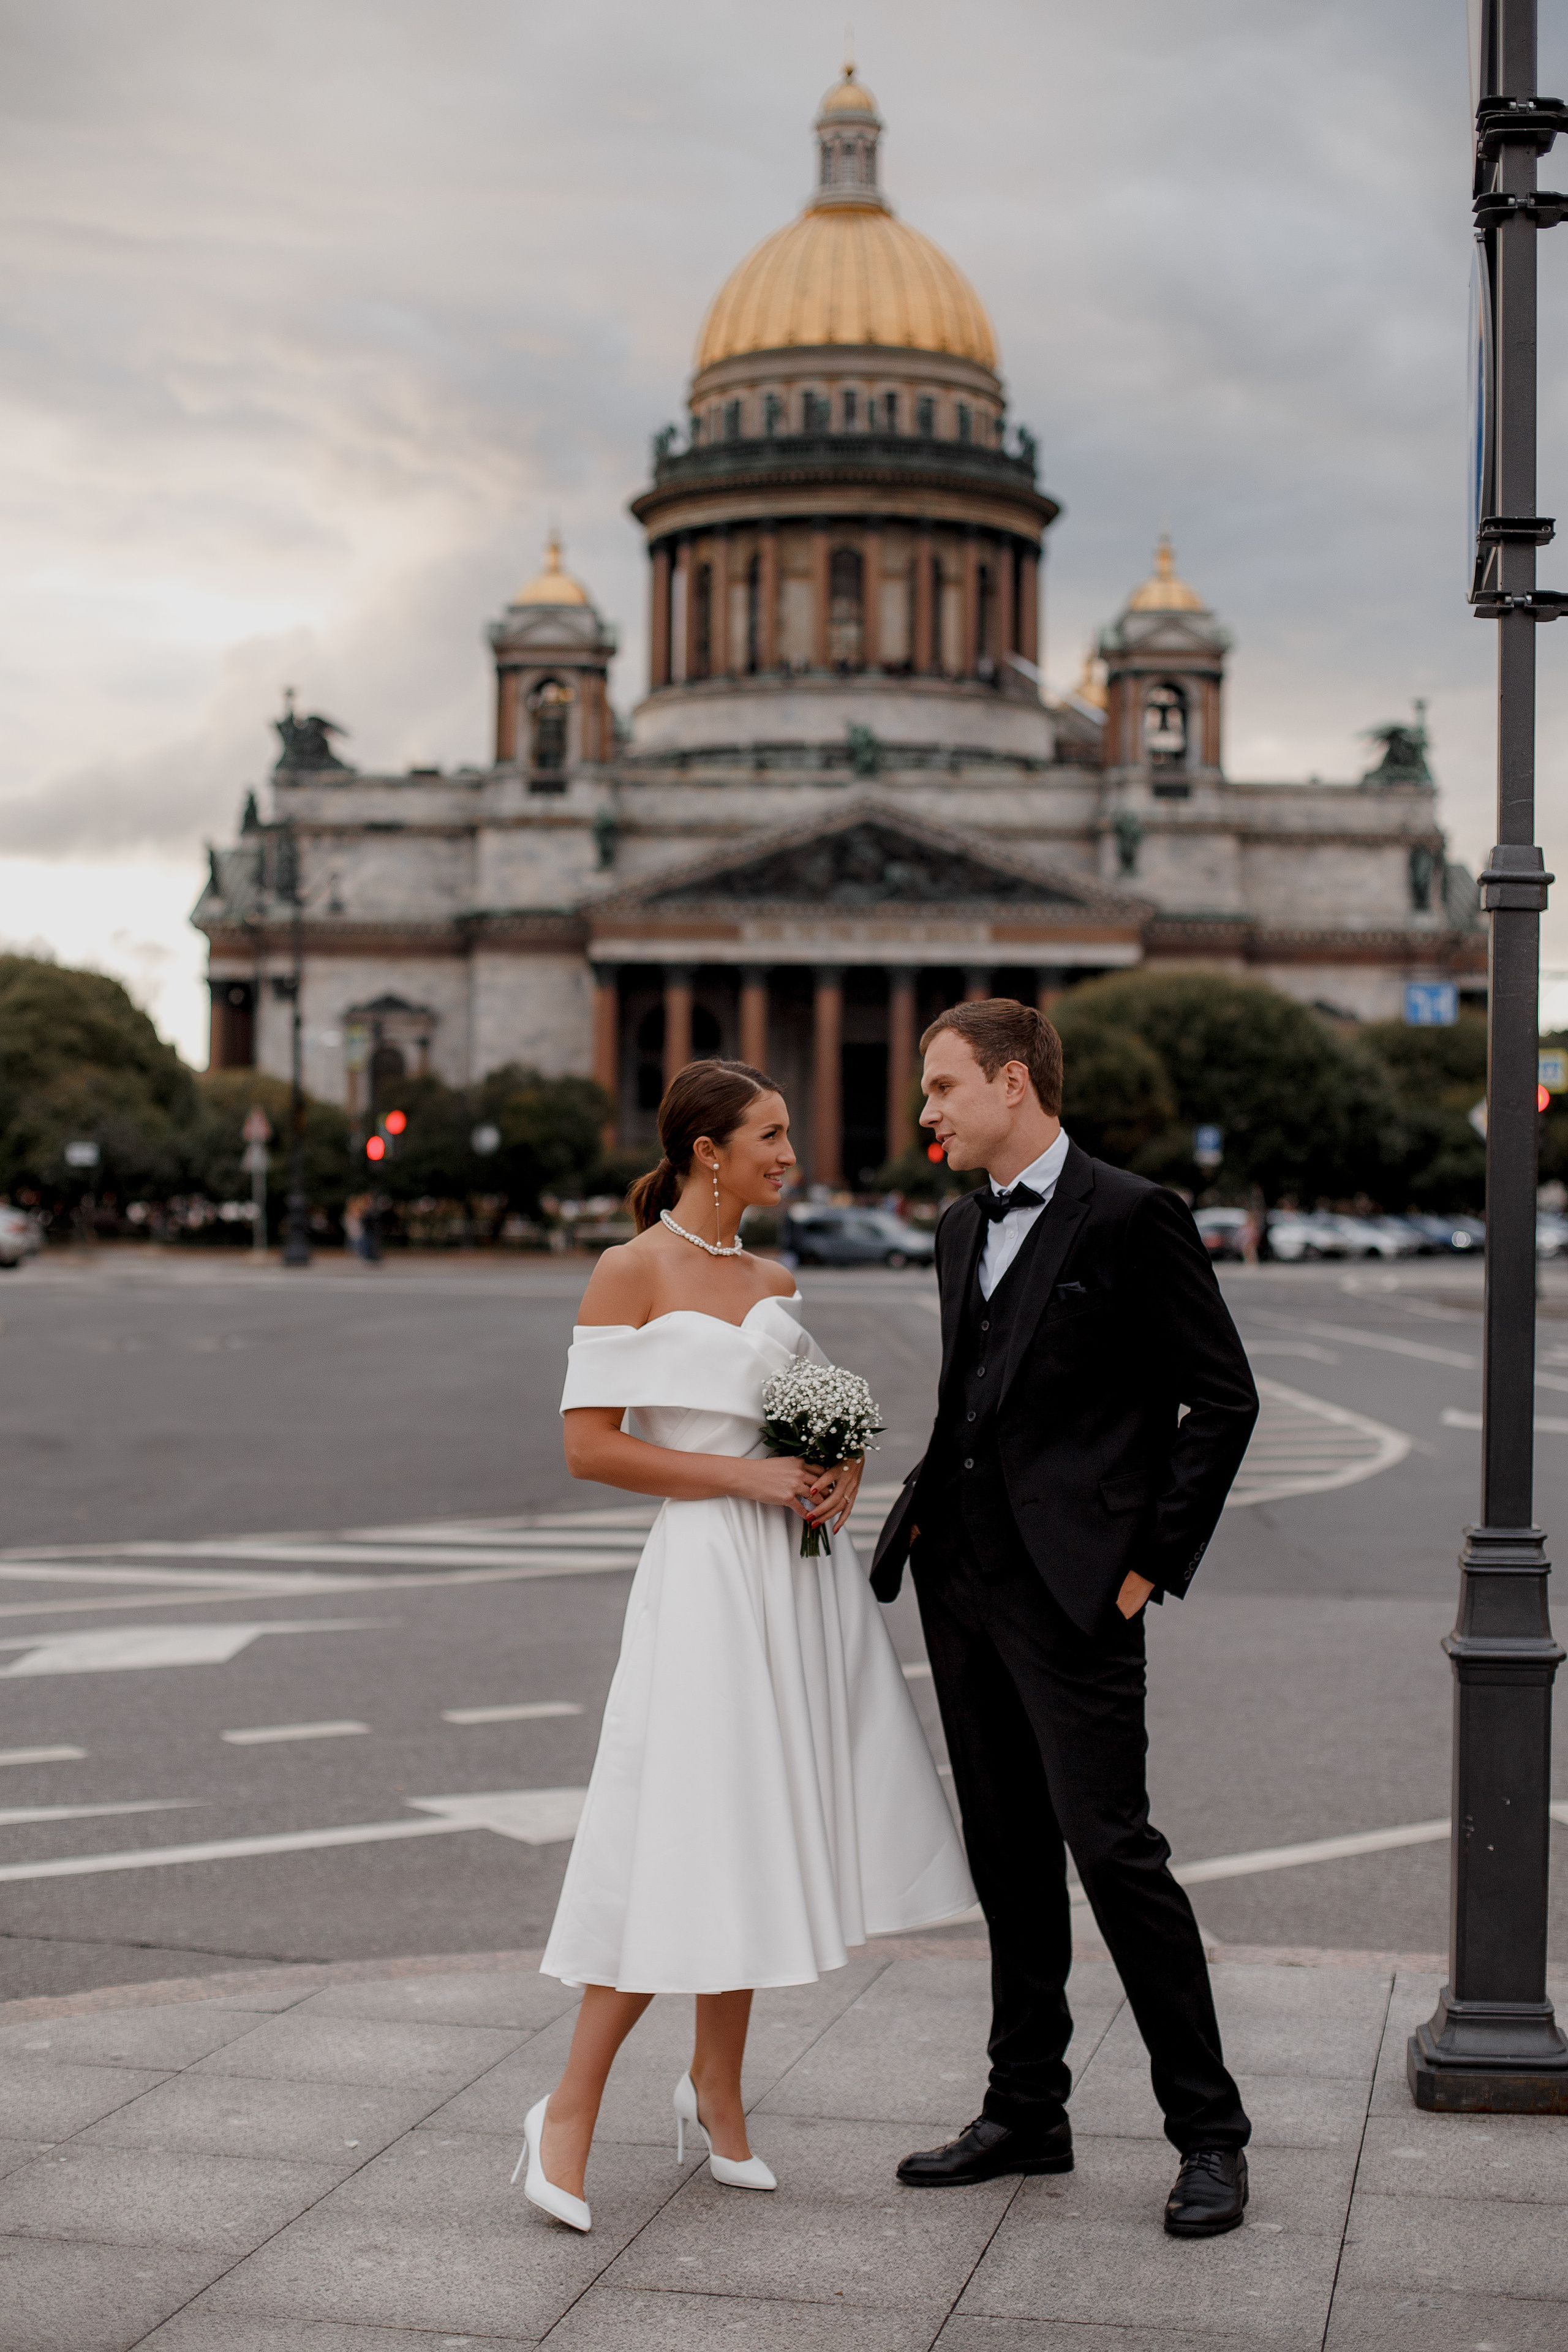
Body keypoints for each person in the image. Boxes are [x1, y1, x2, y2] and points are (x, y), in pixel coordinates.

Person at [518, 1058, 974, 2234]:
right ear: (705, 1150)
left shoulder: (774, 1274)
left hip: (793, 1576)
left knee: (758, 1829)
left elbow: (810, 1416)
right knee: (685, 1825)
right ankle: (567, 2108)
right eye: (771, 1136)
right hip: (710, 1574)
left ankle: (716, 2089)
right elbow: (589, 1448)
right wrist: (747, 1477)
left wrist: (841, 1467)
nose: (791, 1154)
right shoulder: (630, 1270)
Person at [871, 1000, 1259, 2238]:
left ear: (1011, 1084)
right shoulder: (953, 1226)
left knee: (1112, 1855)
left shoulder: (1133, 1214)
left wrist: (1147, 1565)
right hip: (961, 1580)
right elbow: (974, 1399)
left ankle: (1209, 2137)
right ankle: (1024, 2107)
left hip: (1078, 1591)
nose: (924, 1110)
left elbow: (1223, 1398)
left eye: (941, 1087)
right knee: (1007, 1858)